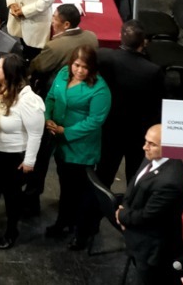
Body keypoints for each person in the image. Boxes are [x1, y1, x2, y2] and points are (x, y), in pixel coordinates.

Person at [0, 52, 45, 249]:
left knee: (11, 196)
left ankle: (11, 231)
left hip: (11, 156)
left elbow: (35, 133)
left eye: (0, 67)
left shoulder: (28, 100)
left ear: (10, 73)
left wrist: (29, 161)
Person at [44, 45, 111, 250]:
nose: (79, 70)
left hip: (81, 148)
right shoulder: (64, 74)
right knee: (65, 188)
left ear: (92, 68)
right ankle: (63, 222)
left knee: (81, 193)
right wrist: (47, 119)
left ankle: (81, 233)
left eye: (84, 67)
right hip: (61, 144)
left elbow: (95, 121)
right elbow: (51, 97)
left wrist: (66, 131)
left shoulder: (99, 89)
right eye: (76, 65)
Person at [115, 125, 183, 285]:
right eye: (145, 141)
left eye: (152, 144)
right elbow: (134, 182)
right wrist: (125, 206)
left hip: (151, 249)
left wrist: (122, 216)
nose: (145, 147)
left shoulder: (171, 181)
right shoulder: (152, 157)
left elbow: (148, 216)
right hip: (137, 235)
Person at [96, 21, 166, 185]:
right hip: (138, 133)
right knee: (135, 176)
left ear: (120, 37)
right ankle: (129, 207)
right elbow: (158, 106)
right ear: (144, 43)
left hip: (110, 128)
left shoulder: (104, 58)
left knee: (104, 172)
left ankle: (97, 208)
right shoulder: (153, 71)